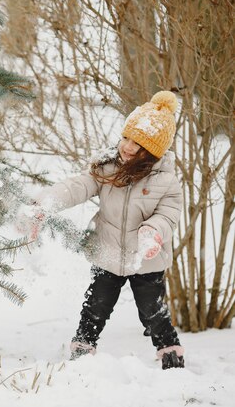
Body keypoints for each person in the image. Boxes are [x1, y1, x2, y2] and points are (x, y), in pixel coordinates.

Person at [20, 91, 185, 370]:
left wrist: (153, 232)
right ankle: (83, 346)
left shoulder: (166, 181)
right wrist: (46, 203)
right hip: (107, 251)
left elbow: (169, 215)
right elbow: (78, 186)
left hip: (146, 258)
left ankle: (169, 350)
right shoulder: (109, 168)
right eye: (126, 138)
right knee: (96, 305)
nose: (129, 147)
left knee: (152, 311)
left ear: (155, 151)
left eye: (140, 144)